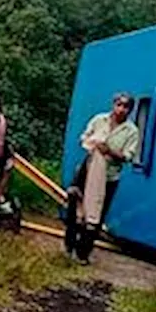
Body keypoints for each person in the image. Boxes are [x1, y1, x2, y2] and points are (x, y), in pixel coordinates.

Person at [64, 92, 140, 265]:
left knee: (96, 213)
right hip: (88, 168)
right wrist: (92, 143)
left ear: (130, 110)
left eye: (125, 106)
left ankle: (83, 252)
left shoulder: (132, 131)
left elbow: (128, 156)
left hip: (109, 176)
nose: (121, 109)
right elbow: (84, 136)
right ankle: (69, 245)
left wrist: (110, 152)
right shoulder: (99, 119)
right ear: (113, 104)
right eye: (118, 104)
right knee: (75, 203)